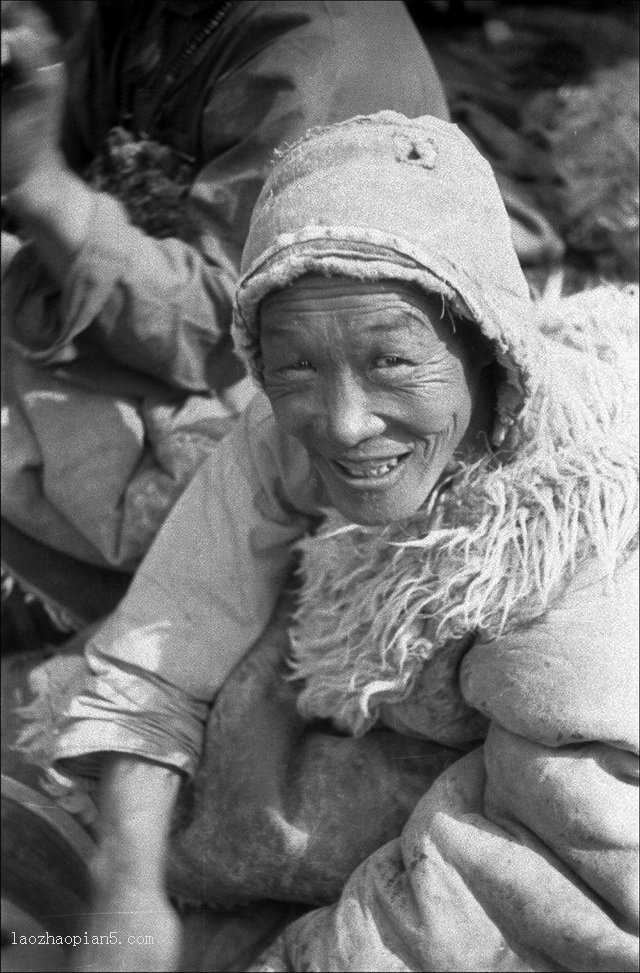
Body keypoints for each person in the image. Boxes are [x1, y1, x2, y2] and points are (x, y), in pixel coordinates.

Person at [24, 112, 638, 971]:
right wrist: (126, 879)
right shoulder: (286, 431)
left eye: (393, 360)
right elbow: (171, 626)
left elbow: (557, 880)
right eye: (296, 366)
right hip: (326, 763)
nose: (344, 424)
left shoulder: (589, 551)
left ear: (492, 348)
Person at [0, 0, 448, 571]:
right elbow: (61, 155)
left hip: (299, 386)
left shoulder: (314, 54)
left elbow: (236, 336)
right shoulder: (139, 16)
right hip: (159, 339)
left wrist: (40, 187)